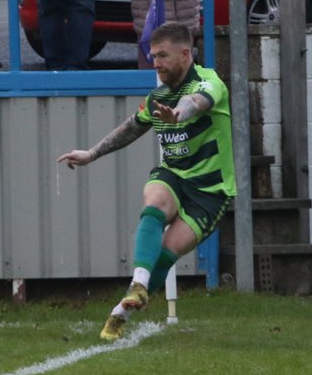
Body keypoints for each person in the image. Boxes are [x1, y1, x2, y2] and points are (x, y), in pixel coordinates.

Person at [56, 23, 236, 340]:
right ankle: (140, 282)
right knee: (154, 200)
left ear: (185, 53)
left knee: (167, 253)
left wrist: (179, 115)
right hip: (174, 176)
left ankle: (123, 311)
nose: (156, 63)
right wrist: (92, 153)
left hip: (211, 191)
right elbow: (132, 127)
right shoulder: (158, 97)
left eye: (163, 56)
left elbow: (197, 103)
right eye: (153, 56)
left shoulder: (210, 82)